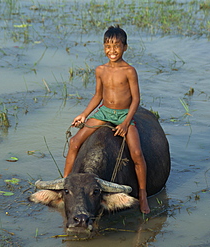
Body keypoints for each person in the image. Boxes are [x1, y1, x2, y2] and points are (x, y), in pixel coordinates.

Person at [63, 25, 150, 214]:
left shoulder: (129, 71)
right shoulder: (100, 70)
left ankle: (142, 195)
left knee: (136, 153)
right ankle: (66, 185)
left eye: (117, 46)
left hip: (123, 114)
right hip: (104, 113)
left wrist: (126, 122)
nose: (112, 51)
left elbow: (136, 99)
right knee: (74, 142)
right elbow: (97, 96)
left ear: (125, 47)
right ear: (103, 47)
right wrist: (84, 114)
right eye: (108, 46)